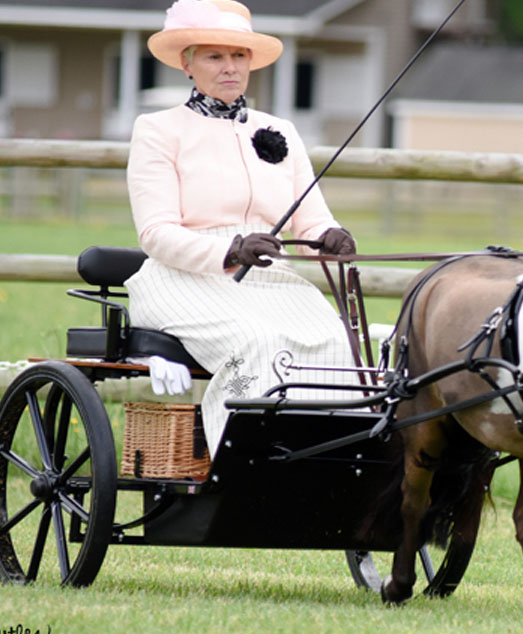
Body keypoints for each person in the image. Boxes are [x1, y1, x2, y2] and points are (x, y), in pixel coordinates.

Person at [124, 0, 359, 457]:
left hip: (270, 277)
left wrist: (331, 236)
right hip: (184, 277)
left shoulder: (281, 130)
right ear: (187, 63)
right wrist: (230, 250)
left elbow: (311, 217)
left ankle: (324, 466)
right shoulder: (157, 129)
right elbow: (155, 233)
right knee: (260, 342)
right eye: (215, 56)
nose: (229, 67)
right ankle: (241, 468)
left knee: (342, 344)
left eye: (239, 56)